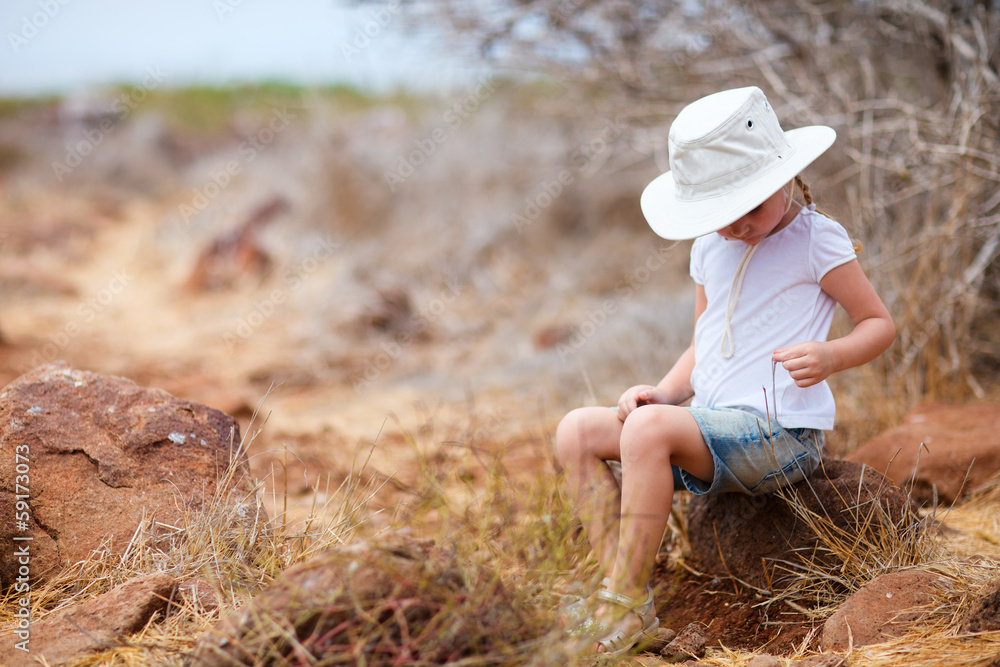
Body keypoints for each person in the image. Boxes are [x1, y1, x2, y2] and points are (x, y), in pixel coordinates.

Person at [555, 86, 895, 656]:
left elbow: (878, 322)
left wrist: (832, 354)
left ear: (783, 177)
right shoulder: (710, 249)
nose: (737, 226)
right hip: (715, 425)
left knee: (647, 430)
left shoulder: (817, 238)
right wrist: (661, 391)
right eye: (722, 215)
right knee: (576, 431)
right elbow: (705, 342)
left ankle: (618, 603)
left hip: (779, 433)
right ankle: (623, 595)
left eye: (751, 208)